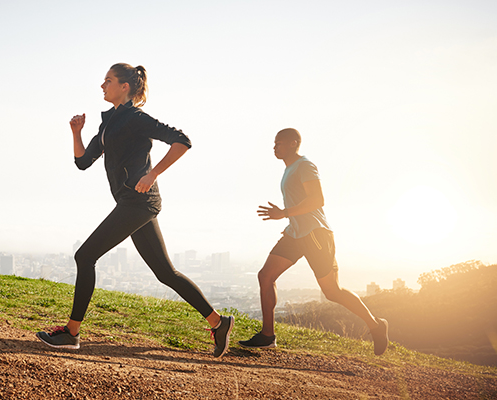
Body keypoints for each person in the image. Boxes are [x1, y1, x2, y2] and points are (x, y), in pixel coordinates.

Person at [36, 63, 234, 357]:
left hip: (138, 203)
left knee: (85, 255)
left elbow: (182, 141)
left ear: (124, 86)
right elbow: (82, 161)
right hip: (132, 203)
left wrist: (153, 174)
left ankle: (71, 332)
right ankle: (218, 322)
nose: (102, 86)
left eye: (108, 81)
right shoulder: (109, 124)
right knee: (165, 273)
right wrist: (76, 132)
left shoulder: (136, 119)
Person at [239, 128, 390, 355]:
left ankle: (376, 325)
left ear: (292, 143)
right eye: (273, 143)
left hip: (315, 235)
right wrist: (290, 222)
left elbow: (317, 200)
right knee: (266, 276)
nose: (274, 147)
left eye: (278, 143)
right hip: (295, 234)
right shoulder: (289, 169)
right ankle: (267, 335)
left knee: (332, 291)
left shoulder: (305, 165)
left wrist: (285, 212)